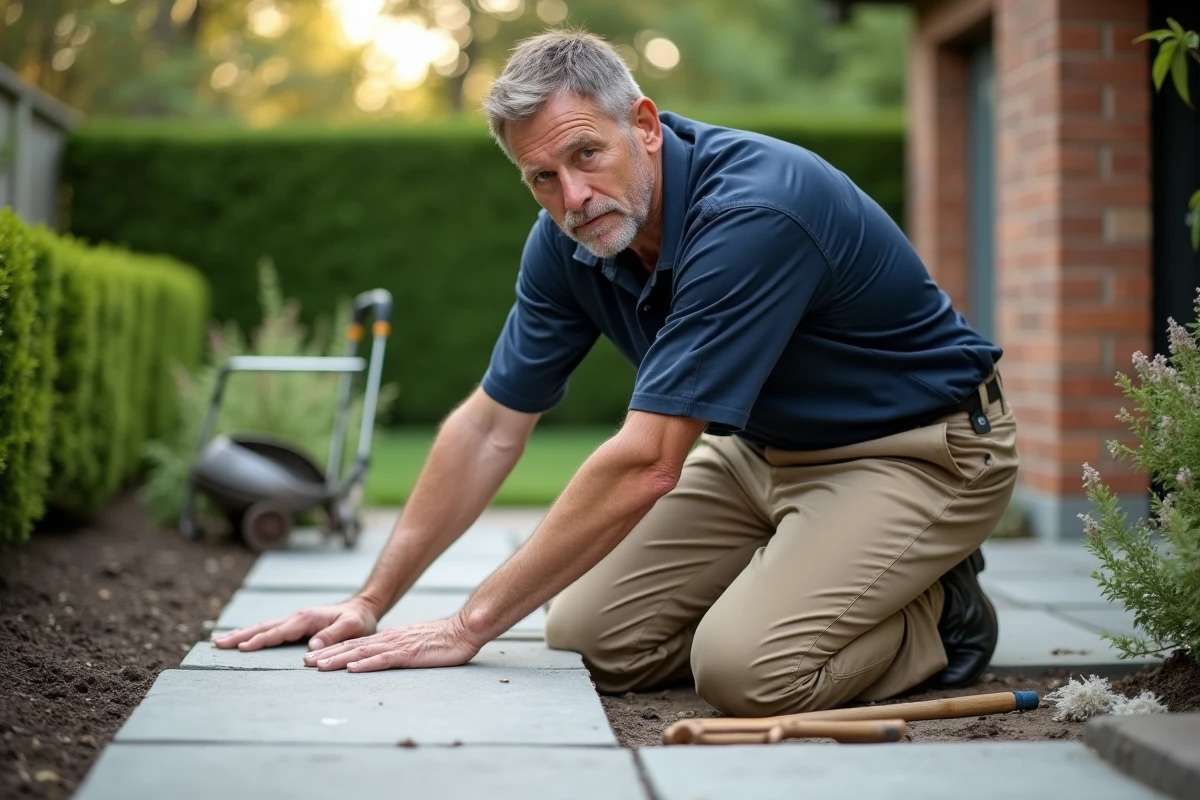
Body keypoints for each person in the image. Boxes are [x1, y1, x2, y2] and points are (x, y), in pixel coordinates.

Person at [214, 30, 1018, 717]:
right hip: (761, 454)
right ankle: (807, 573)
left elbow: (648, 462)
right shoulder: (568, 242)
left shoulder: (754, 213)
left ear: (643, 124)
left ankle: (941, 614)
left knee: (746, 671)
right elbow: (491, 426)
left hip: (919, 448)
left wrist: (466, 626)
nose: (573, 196)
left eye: (585, 154)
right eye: (541, 177)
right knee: (587, 640)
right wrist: (369, 601)